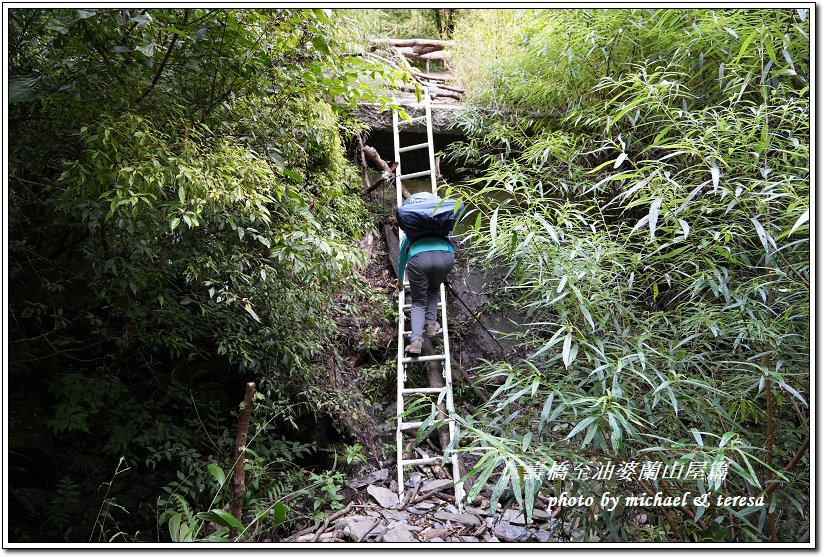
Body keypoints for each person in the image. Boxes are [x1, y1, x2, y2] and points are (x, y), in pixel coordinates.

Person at [397, 234, 455, 355]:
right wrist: (444, 275)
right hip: (446, 258)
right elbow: (450, 246)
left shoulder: (411, 229)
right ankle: (430, 325)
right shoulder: (438, 225)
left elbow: (402, 257)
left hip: (419, 260)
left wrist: (400, 280)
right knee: (433, 290)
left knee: (418, 302)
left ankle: (416, 341)